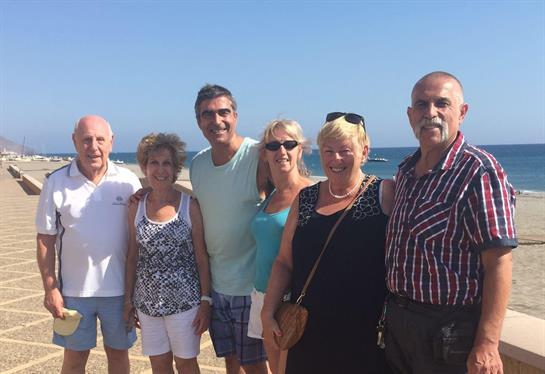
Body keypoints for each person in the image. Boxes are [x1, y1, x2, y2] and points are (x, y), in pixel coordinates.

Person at [384, 71, 517, 374]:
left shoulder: (479, 172)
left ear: (462, 112)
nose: (430, 113)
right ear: (409, 115)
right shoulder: (405, 172)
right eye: (421, 105)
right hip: (397, 325)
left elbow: (499, 262)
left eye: (441, 103)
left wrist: (488, 343)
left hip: (448, 332)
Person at [261, 112, 395, 373]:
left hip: (363, 337)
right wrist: (267, 312)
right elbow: (284, 262)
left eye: (345, 150)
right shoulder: (306, 198)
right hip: (307, 332)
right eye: (328, 151)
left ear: (364, 151)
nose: (335, 159)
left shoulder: (384, 193)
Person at [35, 115, 142, 374]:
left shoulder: (128, 181)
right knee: (74, 359)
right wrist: (51, 288)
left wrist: (136, 292)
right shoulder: (56, 182)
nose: (93, 146)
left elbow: (140, 239)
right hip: (73, 293)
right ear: (75, 142)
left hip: (119, 292)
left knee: (118, 357)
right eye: (86, 140)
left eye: (100, 139)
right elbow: (45, 239)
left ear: (111, 143)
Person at [189, 84, 269, 374]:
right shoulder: (197, 164)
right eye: (207, 114)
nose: (216, 120)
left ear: (235, 115)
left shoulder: (257, 156)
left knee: (257, 367)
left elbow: (289, 195)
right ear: (198, 122)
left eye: (223, 112)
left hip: (252, 288)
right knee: (231, 362)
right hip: (218, 287)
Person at [123, 133, 211, 374]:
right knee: (159, 366)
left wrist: (206, 301)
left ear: (175, 170)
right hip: (147, 305)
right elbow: (132, 257)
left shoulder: (189, 205)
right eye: (154, 162)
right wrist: (128, 300)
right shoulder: (136, 206)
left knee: (186, 364)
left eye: (167, 163)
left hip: (185, 305)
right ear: (144, 166)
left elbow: (202, 258)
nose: (160, 170)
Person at [247, 119, 313, 373]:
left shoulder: (312, 193)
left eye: (289, 144)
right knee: (275, 369)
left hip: (292, 300)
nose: (281, 151)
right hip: (262, 296)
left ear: (300, 149)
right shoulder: (270, 195)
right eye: (274, 145)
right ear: (264, 153)